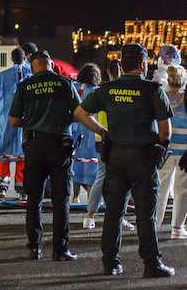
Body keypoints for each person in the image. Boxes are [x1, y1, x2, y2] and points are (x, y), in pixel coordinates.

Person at [73, 43, 175, 277]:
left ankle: (110, 262)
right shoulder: (153, 90)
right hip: (142, 158)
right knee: (145, 214)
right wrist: (160, 147)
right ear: (142, 64)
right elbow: (165, 131)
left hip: (116, 156)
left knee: (114, 212)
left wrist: (103, 131)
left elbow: (80, 113)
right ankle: (152, 264)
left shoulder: (107, 89)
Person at [8, 50, 81, 261]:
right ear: (51, 65)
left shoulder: (24, 87)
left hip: (35, 146)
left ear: (33, 67)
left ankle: (34, 248)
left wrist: (32, 122)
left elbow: (14, 121)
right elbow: (78, 113)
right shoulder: (65, 84)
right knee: (61, 199)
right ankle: (60, 250)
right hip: (60, 146)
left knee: (34, 198)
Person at [83, 59, 134, 231]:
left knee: (101, 176)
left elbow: (85, 112)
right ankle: (119, 217)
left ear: (108, 72)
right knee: (123, 179)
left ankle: (89, 216)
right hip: (122, 139)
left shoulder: (102, 90)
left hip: (102, 138)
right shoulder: (127, 91)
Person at [0, 48, 30, 201]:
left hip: (5, 120)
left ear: (11, 58)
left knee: (3, 153)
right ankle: (24, 190)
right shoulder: (32, 74)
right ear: (25, 58)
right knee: (24, 154)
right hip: (27, 120)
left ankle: (1, 187)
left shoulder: (2, 76)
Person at [157, 64, 187, 236]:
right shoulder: (186, 99)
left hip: (165, 150)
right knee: (182, 190)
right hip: (184, 150)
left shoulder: (162, 97)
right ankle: (177, 228)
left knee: (160, 188)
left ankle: (154, 225)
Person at [70, 64, 101, 203]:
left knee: (75, 163)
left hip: (74, 130)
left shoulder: (74, 88)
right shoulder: (96, 91)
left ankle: (75, 196)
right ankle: (90, 197)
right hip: (90, 130)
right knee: (91, 166)